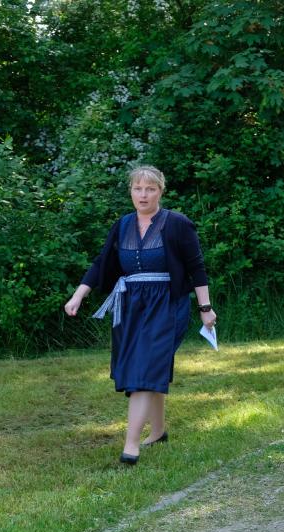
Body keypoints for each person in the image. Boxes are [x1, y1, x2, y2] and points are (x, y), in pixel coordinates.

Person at [64, 165, 216, 465]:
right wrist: (78, 295)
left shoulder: (177, 224)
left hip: (167, 305)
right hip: (132, 307)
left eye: (150, 189)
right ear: (131, 191)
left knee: (144, 370)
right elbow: (101, 262)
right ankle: (157, 432)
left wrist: (205, 308)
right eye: (138, 188)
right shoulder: (122, 225)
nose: (143, 194)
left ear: (160, 191)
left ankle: (130, 445)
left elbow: (196, 267)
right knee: (145, 366)